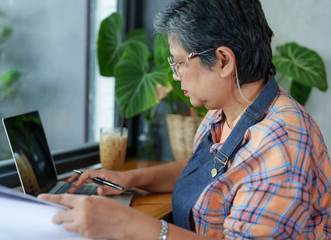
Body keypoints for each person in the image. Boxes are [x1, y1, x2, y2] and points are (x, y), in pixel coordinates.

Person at [38, 0, 331, 239]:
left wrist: (127, 223)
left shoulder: (282, 143)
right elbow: (207, 174)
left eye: (179, 62)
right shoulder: (221, 113)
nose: (175, 75)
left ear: (223, 61)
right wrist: (130, 179)